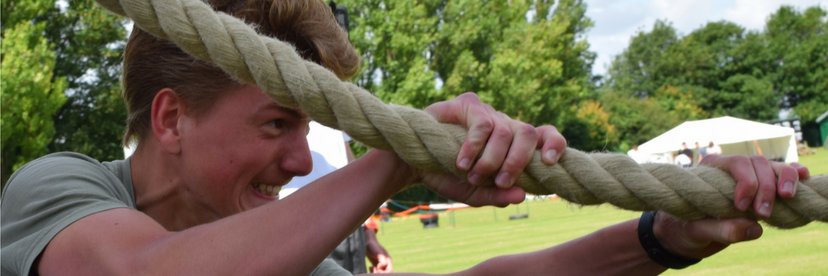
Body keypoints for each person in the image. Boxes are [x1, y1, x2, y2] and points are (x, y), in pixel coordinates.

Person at [0, 1, 810, 275]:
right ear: (171, 119)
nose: (297, 158)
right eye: (278, 124)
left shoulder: (283, 254)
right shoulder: (60, 188)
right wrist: (393, 163)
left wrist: (658, 236)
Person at [282, 121, 393, 273]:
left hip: (350, 225)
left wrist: (368, 234)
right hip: (299, 227)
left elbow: (347, 162)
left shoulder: (336, 106)